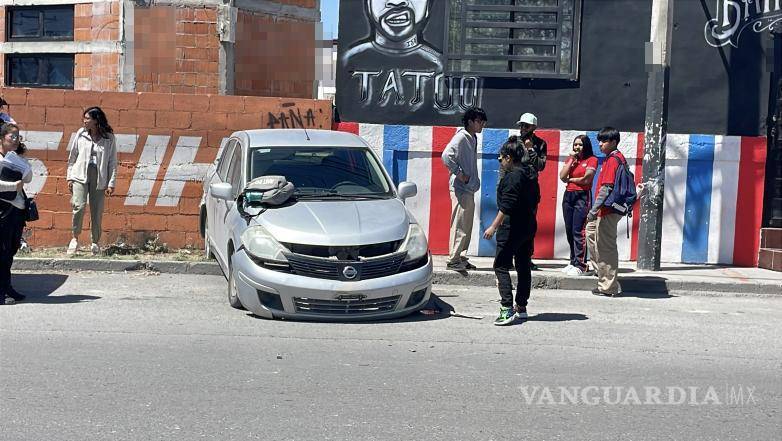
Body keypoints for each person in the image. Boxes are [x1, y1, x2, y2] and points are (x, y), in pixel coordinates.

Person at [483, 136, 540, 326]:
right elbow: (536, 200)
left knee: (501, 265)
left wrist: (493, 226)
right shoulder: (530, 173)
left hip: (512, 227)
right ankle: (521, 307)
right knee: (523, 266)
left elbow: (506, 206)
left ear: (509, 157)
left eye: (501, 157)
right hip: (528, 226)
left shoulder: (512, 177)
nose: (499, 160)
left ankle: (506, 308)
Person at [66, 107, 117, 255]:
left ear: (96, 120)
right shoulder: (81, 134)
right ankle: (75, 239)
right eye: (84, 118)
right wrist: (69, 176)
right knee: (79, 206)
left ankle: (95, 242)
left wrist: (111, 183)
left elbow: (112, 162)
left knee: (97, 210)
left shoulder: (109, 138)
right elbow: (72, 157)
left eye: (87, 118)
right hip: (79, 174)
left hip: (99, 177)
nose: (84, 121)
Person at [441, 106, 486, 271]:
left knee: (466, 225)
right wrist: (460, 174)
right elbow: (446, 156)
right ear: (470, 121)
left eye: (483, 122)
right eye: (479, 121)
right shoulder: (461, 137)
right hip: (461, 188)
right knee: (459, 223)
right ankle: (453, 259)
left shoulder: (472, 137)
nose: (482, 125)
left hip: (468, 188)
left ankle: (460, 256)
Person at [585, 127, 625, 297]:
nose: (600, 144)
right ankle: (603, 276)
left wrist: (593, 211)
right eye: (599, 140)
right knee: (591, 235)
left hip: (607, 209)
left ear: (614, 142)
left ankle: (609, 286)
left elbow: (606, 188)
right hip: (605, 209)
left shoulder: (613, 160)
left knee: (606, 247)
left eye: (604, 141)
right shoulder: (613, 158)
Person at [0, 124, 32, 305]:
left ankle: (7, 286)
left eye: (17, 137)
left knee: (10, 251)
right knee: (2, 252)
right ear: (2, 138)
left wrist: (23, 164)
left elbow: (28, 178)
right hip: (3, 210)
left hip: (17, 210)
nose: (15, 140)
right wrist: (14, 186)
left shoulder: (17, 157)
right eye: (12, 137)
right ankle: (1, 292)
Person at [559, 135, 598, 276]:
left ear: (586, 146)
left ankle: (581, 264)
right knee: (569, 230)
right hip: (568, 195)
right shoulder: (572, 160)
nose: (577, 147)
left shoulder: (592, 160)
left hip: (582, 196)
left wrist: (571, 179)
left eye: (580, 145)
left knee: (578, 230)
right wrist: (571, 160)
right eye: (575, 144)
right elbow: (562, 176)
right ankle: (573, 261)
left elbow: (587, 179)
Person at [516, 112, 547, 271]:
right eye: (521, 125)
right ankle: (510, 256)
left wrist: (531, 150)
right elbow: (504, 164)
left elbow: (541, 165)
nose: (522, 128)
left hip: (531, 189)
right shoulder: (513, 142)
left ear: (534, 127)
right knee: (511, 223)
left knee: (529, 225)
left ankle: (526, 257)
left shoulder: (541, 144)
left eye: (526, 126)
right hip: (515, 187)